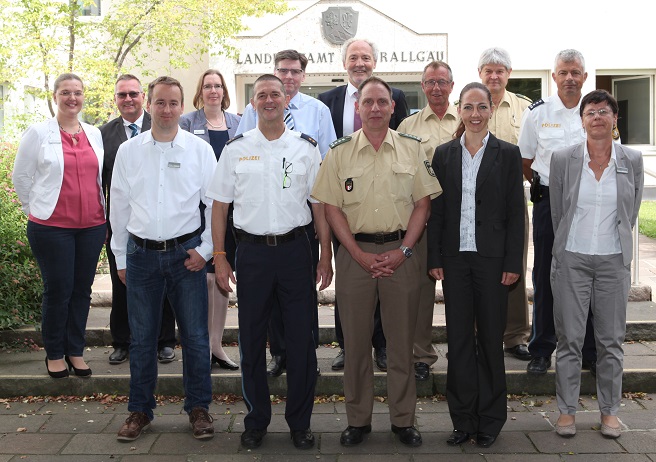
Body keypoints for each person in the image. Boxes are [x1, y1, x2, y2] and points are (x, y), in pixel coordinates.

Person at [312, 76, 441, 448]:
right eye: (367, 102)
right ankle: (358, 420)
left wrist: (404, 251)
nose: (374, 108)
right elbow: (330, 207)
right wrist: (355, 253)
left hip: (402, 255)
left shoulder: (412, 149)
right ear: (357, 107)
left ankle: (404, 421)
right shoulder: (339, 152)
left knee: (401, 345)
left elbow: (423, 204)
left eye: (382, 102)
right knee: (355, 346)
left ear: (392, 107)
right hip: (356, 257)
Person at [207, 74, 332, 450]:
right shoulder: (236, 148)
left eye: (274, 94)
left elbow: (320, 206)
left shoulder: (306, 148)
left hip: (296, 252)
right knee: (251, 339)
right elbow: (219, 207)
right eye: (261, 95)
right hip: (253, 255)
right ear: (253, 103)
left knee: (301, 341)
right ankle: (256, 420)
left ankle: (300, 423)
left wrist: (325, 253)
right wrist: (220, 255)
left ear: (285, 99)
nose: (268, 100)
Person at [111, 76, 216, 441]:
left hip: (185, 256)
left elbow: (215, 204)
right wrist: (121, 257)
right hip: (141, 256)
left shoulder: (200, 151)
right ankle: (139, 410)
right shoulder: (130, 151)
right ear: (148, 104)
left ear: (182, 106)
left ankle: (199, 408)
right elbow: (119, 206)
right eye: (160, 102)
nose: (167, 110)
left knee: (196, 338)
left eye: (173, 103)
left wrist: (205, 250)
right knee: (141, 339)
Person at [427, 82, 525, 449]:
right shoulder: (444, 154)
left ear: (490, 110)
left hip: (494, 262)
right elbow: (436, 213)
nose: (475, 114)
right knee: (459, 341)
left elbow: (517, 213)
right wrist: (434, 258)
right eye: (468, 107)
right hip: (454, 261)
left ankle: (490, 420)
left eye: (481, 107)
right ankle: (463, 419)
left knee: (489, 341)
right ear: (460, 109)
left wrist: (513, 261)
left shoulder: (508, 154)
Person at [235, 49, 336, 377]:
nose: (289, 76)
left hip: (304, 214)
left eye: (295, 71)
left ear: (303, 76)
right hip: (265, 213)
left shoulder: (318, 110)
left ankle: (305, 356)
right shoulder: (256, 110)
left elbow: (329, 159)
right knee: (273, 298)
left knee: (302, 293)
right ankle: (279, 353)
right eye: (283, 71)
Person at [549, 90, 643, 439]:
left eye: (605, 111)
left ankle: (610, 412)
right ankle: (566, 411)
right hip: (572, 260)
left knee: (611, 341)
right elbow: (558, 211)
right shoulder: (563, 159)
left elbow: (629, 214)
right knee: (570, 339)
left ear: (615, 119)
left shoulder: (631, 160)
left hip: (612, 262)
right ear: (582, 119)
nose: (598, 117)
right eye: (591, 111)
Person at [319, 38, 410, 371]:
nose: (360, 62)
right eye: (354, 57)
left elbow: (397, 144)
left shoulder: (395, 97)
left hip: (383, 195)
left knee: (385, 283)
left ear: (375, 62)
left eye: (366, 57)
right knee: (349, 283)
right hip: (344, 202)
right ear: (345, 63)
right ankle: (348, 346)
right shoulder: (327, 100)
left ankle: (382, 346)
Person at [12, 73, 106, 379]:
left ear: (83, 96)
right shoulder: (38, 133)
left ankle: (75, 351)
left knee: (82, 290)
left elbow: (99, 179)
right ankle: (54, 353)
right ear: (55, 97)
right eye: (66, 92)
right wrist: (35, 210)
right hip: (52, 227)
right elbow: (21, 178)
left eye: (77, 92)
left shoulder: (94, 133)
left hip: (92, 225)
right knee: (59, 290)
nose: (72, 98)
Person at [518, 49, 598, 375]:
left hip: (589, 202)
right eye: (563, 72)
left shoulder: (594, 111)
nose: (569, 78)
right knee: (545, 275)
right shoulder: (538, 113)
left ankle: (590, 352)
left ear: (584, 77)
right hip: (549, 200)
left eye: (575, 72)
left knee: (588, 275)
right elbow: (525, 159)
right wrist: (546, 188)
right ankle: (540, 349)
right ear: (554, 77)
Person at [100, 74, 177, 366]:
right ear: (116, 99)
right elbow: (103, 184)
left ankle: (165, 341)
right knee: (121, 284)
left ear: (143, 98)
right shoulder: (103, 134)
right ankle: (122, 341)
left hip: (161, 221)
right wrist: (107, 226)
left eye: (133, 94)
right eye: (122, 95)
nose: (128, 99)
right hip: (121, 223)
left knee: (164, 284)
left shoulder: (160, 124)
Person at [397, 60, 458, 381]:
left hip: (461, 216)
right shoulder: (408, 127)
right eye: (430, 82)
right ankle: (421, 355)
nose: (436, 88)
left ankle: (466, 350)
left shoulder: (467, 118)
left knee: (462, 287)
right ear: (422, 86)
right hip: (422, 215)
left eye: (442, 82)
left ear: (452, 85)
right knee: (421, 290)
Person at [180, 69, 241, 371]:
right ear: (200, 91)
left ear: (224, 90)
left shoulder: (238, 123)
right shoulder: (188, 123)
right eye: (207, 86)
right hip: (200, 209)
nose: (213, 91)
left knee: (223, 276)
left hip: (231, 211)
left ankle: (217, 345)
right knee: (204, 278)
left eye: (217, 86)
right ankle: (202, 345)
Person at [478, 47, 532, 361]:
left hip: (512, 203)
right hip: (473, 205)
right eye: (489, 70)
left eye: (500, 70)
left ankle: (515, 337)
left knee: (515, 270)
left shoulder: (525, 110)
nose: (494, 76)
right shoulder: (468, 105)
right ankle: (479, 334)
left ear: (508, 75)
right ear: (480, 74)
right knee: (477, 270)